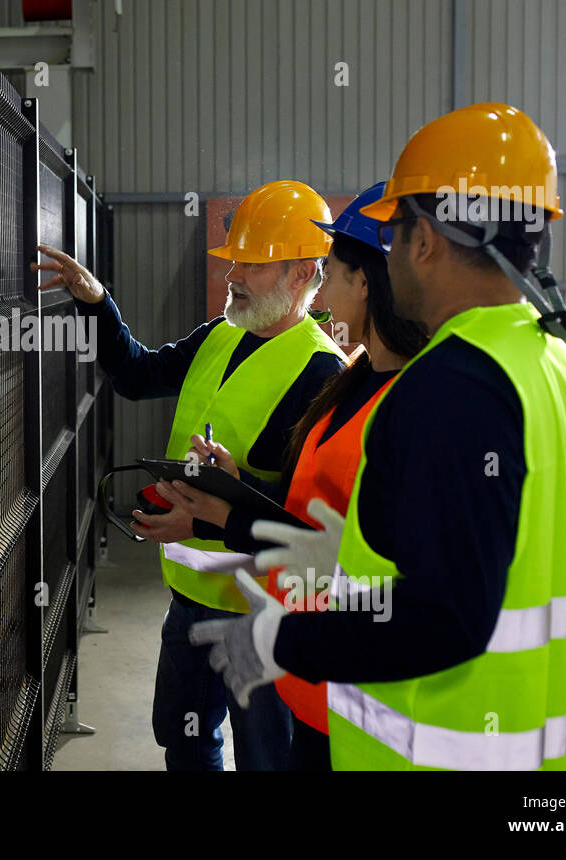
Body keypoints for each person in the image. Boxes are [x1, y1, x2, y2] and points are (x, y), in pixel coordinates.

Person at [189, 103, 566, 770]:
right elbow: (495, 554)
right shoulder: (556, 368)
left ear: (423, 242)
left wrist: (280, 641)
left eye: (397, 235)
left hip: (439, 749)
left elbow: (444, 619)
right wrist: (349, 558)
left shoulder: (451, 386)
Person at [32, 179, 347, 771]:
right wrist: (97, 301)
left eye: (251, 265)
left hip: (261, 609)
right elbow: (135, 375)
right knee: (185, 739)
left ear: (302, 274)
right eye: (234, 262)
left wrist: (230, 495)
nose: (233, 277)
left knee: (265, 757)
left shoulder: (322, 373)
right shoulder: (219, 336)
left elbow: (308, 519)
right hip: (189, 594)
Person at [155, 181, 429, 770]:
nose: (322, 285)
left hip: (330, 657)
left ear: (366, 282)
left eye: (329, 270)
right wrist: (228, 502)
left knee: (264, 754)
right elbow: (304, 514)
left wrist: (229, 511)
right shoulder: (355, 382)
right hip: (301, 642)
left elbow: (339, 540)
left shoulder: (385, 393)